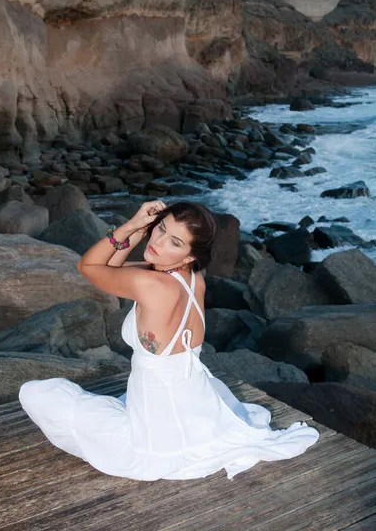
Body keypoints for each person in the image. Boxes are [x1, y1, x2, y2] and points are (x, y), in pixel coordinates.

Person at [19, 200, 319, 481]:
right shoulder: (192, 278)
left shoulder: (150, 284)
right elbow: (110, 269)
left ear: (188, 255)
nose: (158, 242)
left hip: (156, 419)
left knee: (37, 393)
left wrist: (132, 225)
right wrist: (139, 233)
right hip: (193, 401)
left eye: (174, 242)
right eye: (160, 229)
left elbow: (89, 267)